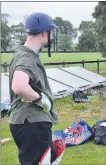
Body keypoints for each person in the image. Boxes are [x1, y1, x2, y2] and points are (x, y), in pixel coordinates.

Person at [8, 12, 65, 165]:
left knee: (50, 159)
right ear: (44, 32)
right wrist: (40, 99)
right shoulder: (25, 57)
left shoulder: (29, 55)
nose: (51, 37)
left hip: (32, 123)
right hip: (31, 123)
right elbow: (19, 86)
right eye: (50, 33)